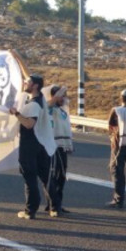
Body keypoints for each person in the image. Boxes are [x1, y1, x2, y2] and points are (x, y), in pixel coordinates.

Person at [8, 74, 55, 219]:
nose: (24, 83)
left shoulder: (34, 104)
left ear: (34, 85)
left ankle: (30, 210)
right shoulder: (40, 98)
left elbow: (29, 124)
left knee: (30, 177)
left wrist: (16, 113)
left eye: (27, 82)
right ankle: (55, 207)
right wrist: (17, 56)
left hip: (31, 144)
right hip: (41, 144)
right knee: (45, 177)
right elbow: (28, 75)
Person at [47, 84, 72, 217]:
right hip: (54, 146)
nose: (64, 98)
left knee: (61, 176)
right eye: (62, 96)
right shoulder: (49, 109)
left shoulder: (62, 110)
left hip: (63, 146)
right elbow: (49, 105)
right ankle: (54, 206)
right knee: (54, 176)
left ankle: (57, 204)